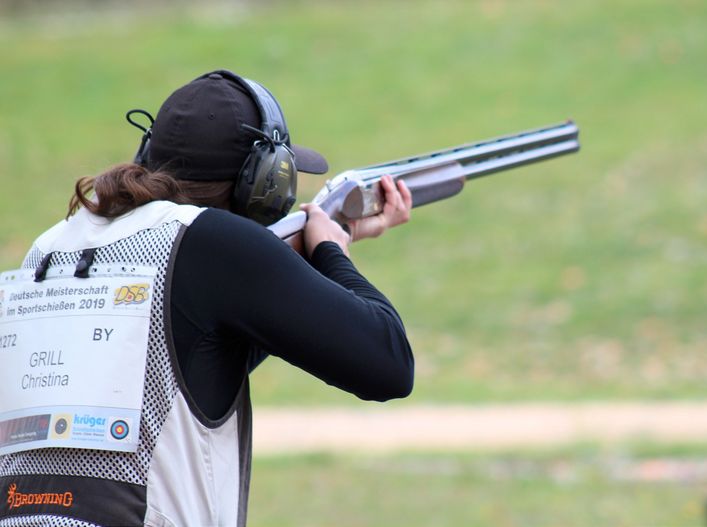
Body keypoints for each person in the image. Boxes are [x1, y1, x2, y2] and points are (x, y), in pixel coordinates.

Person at [0, 70, 414, 526]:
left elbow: (191, 368)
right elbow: (388, 364)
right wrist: (330, 251)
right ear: (263, 184)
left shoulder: (49, 248)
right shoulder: (210, 241)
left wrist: (317, 252)